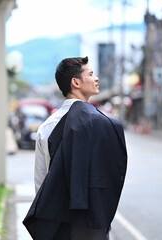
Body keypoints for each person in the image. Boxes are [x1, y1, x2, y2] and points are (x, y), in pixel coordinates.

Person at [23, 56, 128, 240]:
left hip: (58, 220)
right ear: (76, 82)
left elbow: (42, 183)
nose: (96, 78)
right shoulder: (104, 124)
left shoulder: (47, 127)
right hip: (94, 221)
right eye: (91, 74)